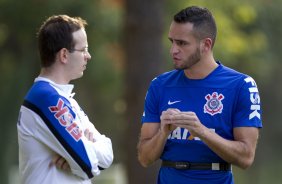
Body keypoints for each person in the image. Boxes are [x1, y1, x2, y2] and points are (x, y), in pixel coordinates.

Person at [137, 6, 262, 184]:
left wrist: (201, 131)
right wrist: (162, 133)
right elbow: (144, 158)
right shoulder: (159, 85)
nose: (173, 50)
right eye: (171, 41)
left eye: (182, 43)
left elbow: (246, 157)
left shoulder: (242, 85)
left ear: (206, 45)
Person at [17, 15, 114, 184]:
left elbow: (108, 156)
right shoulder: (45, 98)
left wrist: (79, 155)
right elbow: (87, 164)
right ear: (64, 55)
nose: (88, 56)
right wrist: (83, 153)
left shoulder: (65, 99)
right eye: (83, 49)